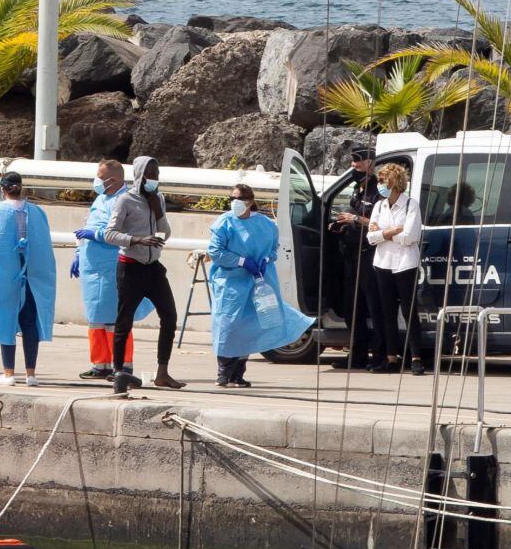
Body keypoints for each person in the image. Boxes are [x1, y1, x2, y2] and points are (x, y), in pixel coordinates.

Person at [207, 185, 315, 387]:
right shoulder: (224, 223)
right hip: (231, 283)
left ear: (250, 201)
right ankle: (223, 372)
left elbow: (273, 249)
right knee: (228, 325)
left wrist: (265, 259)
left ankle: (238, 373)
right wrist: (241, 262)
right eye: (232, 198)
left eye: (238, 198)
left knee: (250, 326)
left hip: (257, 282)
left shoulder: (266, 225)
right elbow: (215, 251)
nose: (234, 202)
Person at [103, 156, 184, 389]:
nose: (154, 179)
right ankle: (119, 371)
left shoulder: (158, 198)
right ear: (139, 175)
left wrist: (158, 211)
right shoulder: (125, 200)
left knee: (169, 316)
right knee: (124, 319)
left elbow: (165, 233)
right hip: (130, 265)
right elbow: (110, 234)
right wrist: (137, 239)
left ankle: (163, 372)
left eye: (157, 174)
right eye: (150, 174)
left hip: (153, 268)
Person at [71, 159, 153, 379]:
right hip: (92, 267)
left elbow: (121, 235)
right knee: (95, 317)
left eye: (100, 176)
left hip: (111, 266)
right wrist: (78, 254)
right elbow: (88, 223)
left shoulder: (125, 201)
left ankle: (123, 365)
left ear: (113, 179)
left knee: (115, 319)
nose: (97, 180)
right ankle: (101, 364)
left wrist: (95, 235)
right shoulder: (100, 198)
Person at [0, 173, 56, 386]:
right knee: (29, 321)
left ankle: (9, 373)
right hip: (33, 276)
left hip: (4, 274)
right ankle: (31, 374)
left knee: (6, 321)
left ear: (2, 189)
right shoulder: (37, 212)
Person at [328, 148, 385, 370]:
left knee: (374, 306)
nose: (353, 165)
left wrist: (354, 218)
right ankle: (358, 354)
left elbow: (381, 221)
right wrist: (340, 224)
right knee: (353, 307)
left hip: (370, 256)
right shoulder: (357, 187)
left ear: (370, 163)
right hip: (352, 256)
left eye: (358, 162)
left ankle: (380, 355)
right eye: (352, 162)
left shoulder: (380, 188)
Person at [367, 163, 425, 375]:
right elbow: (370, 237)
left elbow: (410, 236)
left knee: (410, 312)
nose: (380, 185)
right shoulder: (379, 206)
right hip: (383, 263)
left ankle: (416, 358)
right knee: (387, 313)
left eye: (384, 181)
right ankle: (391, 357)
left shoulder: (411, 205)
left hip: (405, 264)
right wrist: (391, 231)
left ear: (395, 183)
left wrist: (382, 232)